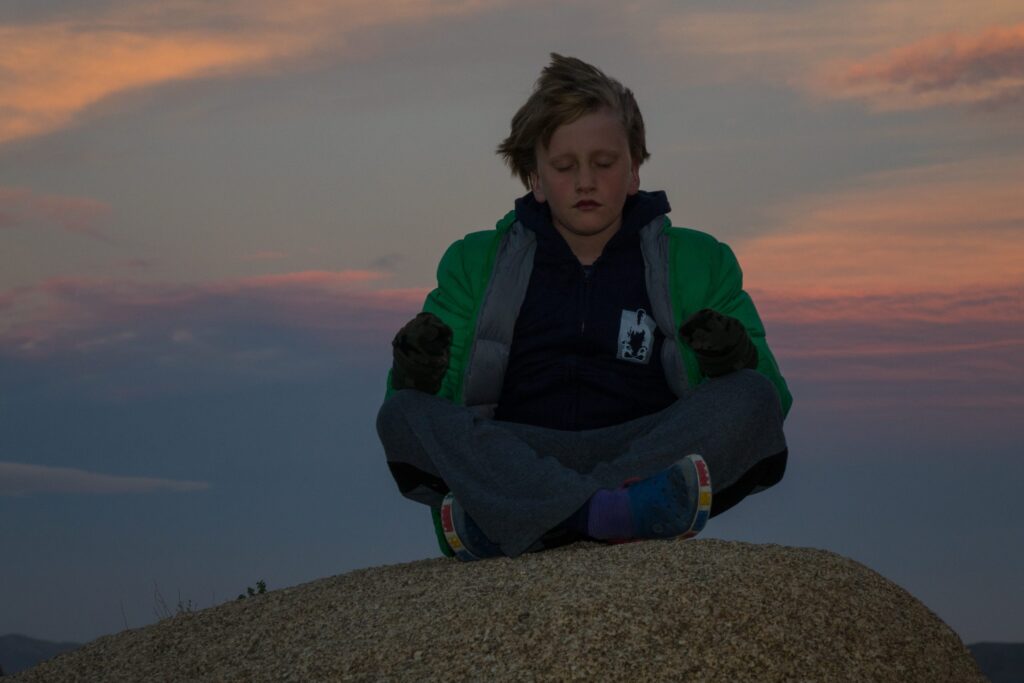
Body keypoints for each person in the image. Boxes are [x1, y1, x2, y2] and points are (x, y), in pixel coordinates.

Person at [376, 54, 791, 561]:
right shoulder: (471, 261)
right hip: (516, 452)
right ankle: (609, 514)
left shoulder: (701, 260)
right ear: (535, 176)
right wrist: (417, 371)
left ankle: (524, 519)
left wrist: (731, 359)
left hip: (644, 451)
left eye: (604, 162)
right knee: (402, 412)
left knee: (751, 396)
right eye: (565, 166)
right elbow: (426, 403)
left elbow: (770, 391)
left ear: (634, 169)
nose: (585, 181)